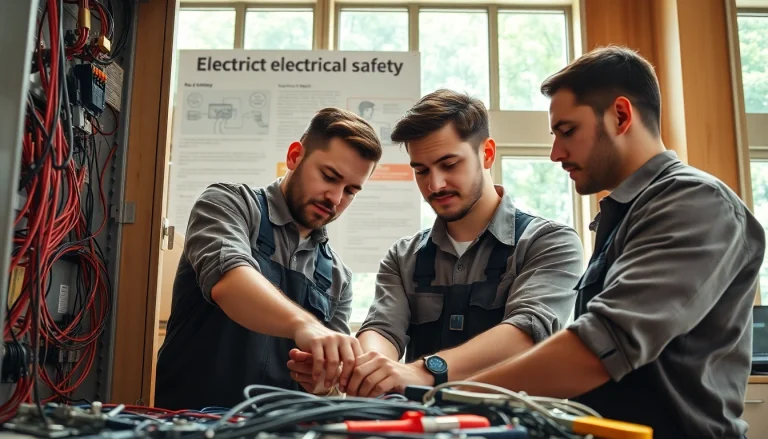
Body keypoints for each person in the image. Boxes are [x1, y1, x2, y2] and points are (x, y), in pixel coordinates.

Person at [465, 46, 766, 439]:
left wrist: (456, 396)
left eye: (567, 131)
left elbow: (597, 349)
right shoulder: (629, 212)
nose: (556, 153)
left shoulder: (696, 202)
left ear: (621, 116)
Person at [287, 89, 585, 397]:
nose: (435, 184)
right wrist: (362, 369)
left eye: (449, 164)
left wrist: (424, 370)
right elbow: (382, 330)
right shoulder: (403, 257)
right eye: (421, 170)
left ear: (487, 153)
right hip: (422, 421)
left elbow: (526, 332)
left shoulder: (550, 243)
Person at [154, 108, 383, 410]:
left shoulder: (338, 278)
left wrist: (323, 384)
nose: (336, 198)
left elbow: (331, 385)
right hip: (191, 421)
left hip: (279, 427)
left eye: (351, 191)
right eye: (329, 177)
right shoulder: (227, 205)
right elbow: (230, 282)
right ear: (295, 156)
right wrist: (304, 324)